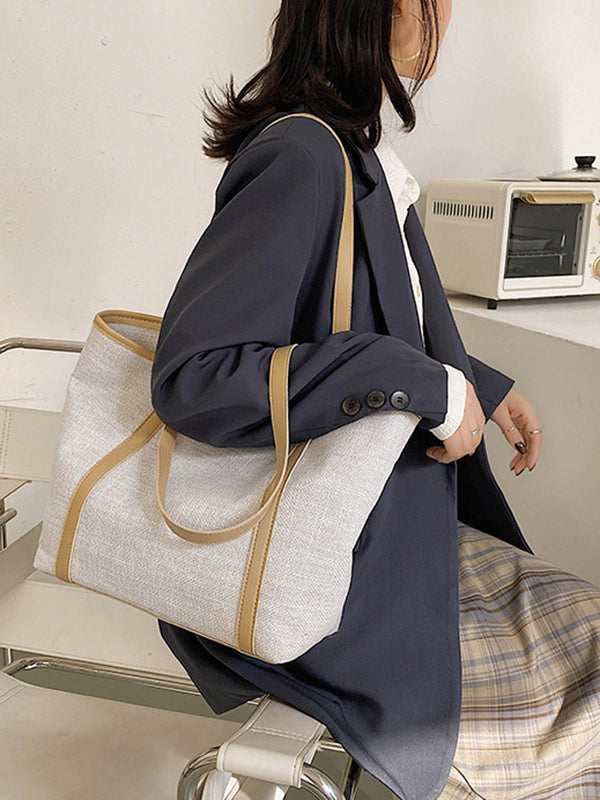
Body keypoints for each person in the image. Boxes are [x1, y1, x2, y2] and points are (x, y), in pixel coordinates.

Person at [151, 1, 600, 798]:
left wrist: (477, 386)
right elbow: (196, 373)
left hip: (386, 543)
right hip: (331, 583)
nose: (449, 15)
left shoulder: (351, 151)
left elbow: (365, 321)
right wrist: (425, 384)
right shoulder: (302, 156)